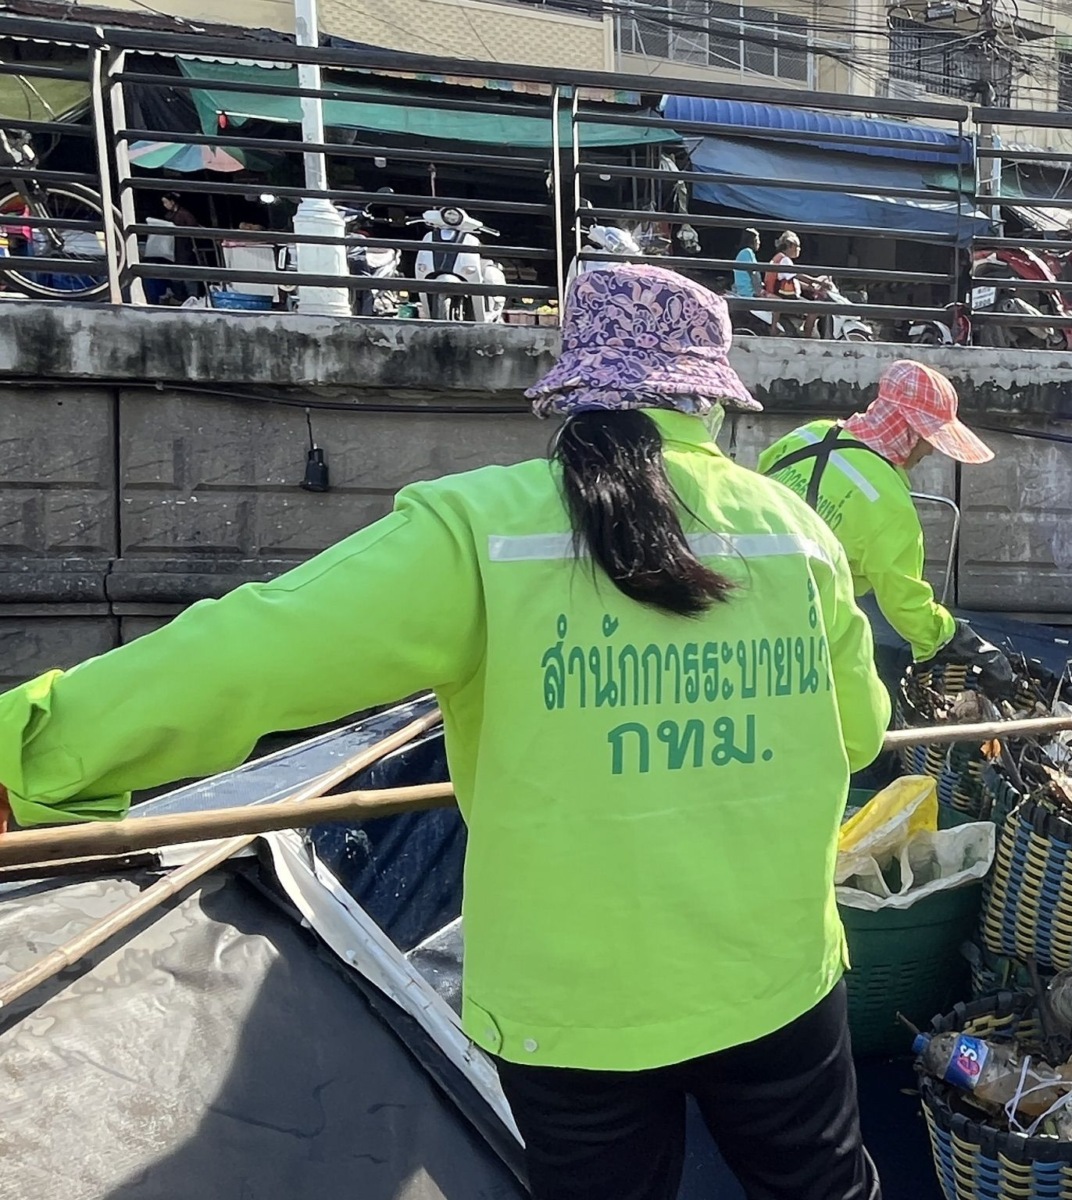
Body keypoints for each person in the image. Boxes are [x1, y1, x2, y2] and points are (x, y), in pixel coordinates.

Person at [0, 265, 893, 1200]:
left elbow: (250, 652)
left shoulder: (481, 530)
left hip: (574, 1007)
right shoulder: (797, 534)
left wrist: (34, 751)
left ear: (574, 392)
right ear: (708, 398)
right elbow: (859, 734)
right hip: (776, 972)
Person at [758, 359, 1014, 696]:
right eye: (929, 438)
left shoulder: (806, 435)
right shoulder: (888, 503)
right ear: (909, 431)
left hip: (746, 596)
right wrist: (954, 638)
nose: (930, 450)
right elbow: (905, 603)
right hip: (805, 625)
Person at [730, 227, 762, 300]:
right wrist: (759, 291)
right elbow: (754, 274)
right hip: (748, 293)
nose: (759, 242)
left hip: (742, 292)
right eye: (758, 239)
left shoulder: (743, 253)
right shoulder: (747, 252)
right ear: (753, 240)